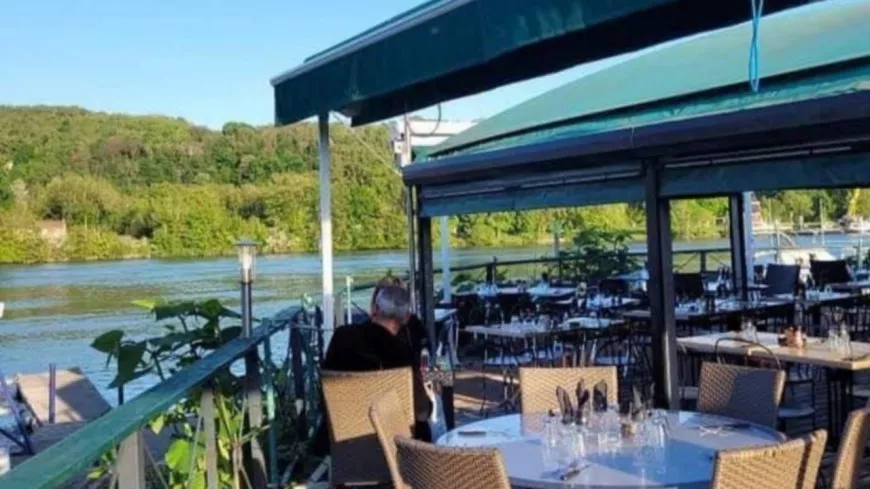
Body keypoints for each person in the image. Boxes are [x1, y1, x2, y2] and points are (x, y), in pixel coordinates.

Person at [315, 283, 432, 456]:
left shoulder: (341, 337)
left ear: (375, 309)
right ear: (406, 318)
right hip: (393, 452)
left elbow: (323, 393)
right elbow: (421, 413)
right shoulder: (402, 354)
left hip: (343, 447)